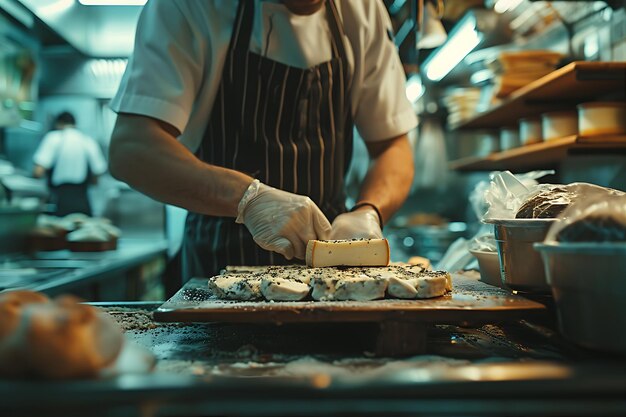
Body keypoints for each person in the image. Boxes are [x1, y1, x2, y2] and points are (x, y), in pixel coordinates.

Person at [109, 0, 417, 280]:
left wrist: (368, 211)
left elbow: (393, 146)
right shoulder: (189, 6)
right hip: (220, 262)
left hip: (333, 267)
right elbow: (132, 148)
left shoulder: (362, 9)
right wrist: (249, 199)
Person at [33, 111, 107, 217]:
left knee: (58, 231)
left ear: (58, 123)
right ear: (74, 124)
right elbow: (97, 175)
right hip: (83, 202)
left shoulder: (53, 138)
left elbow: (38, 172)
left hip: (58, 202)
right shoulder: (88, 141)